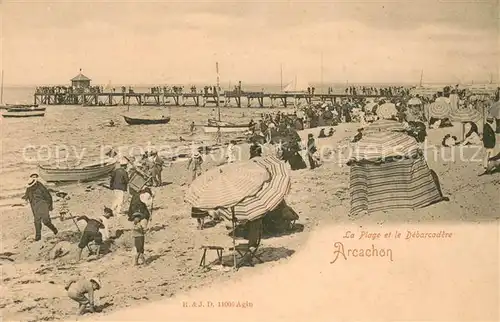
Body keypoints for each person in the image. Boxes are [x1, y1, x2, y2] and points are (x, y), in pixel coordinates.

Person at [22, 173, 58, 241]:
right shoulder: (29, 187)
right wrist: (25, 199)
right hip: (35, 206)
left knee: (46, 221)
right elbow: (26, 195)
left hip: (43, 205)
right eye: (33, 177)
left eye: (35, 177)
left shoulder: (40, 186)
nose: (34, 178)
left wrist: (50, 206)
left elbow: (48, 196)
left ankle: (55, 230)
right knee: (37, 221)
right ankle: (38, 237)